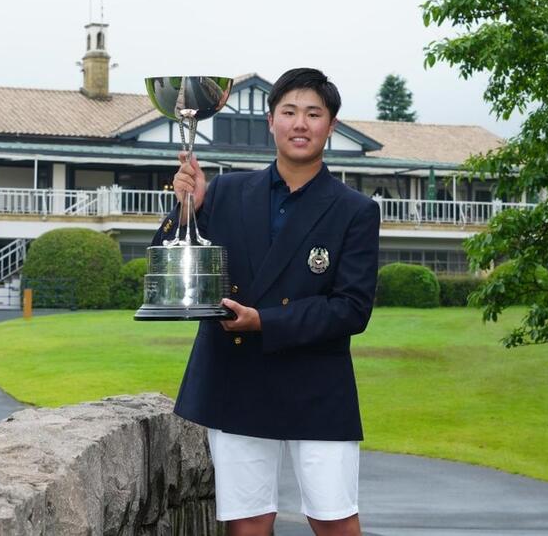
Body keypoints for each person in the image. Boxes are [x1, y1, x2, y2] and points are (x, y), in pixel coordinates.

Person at [153, 68, 380, 536]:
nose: (301, 124)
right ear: (271, 122)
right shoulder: (227, 190)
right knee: (249, 521)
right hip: (235, 375)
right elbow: (181, 275)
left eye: (313, 114)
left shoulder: (355, 210)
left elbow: (352, 309)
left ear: (331, 126)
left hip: (317, 379)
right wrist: (185, 209)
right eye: (290, 112)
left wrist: (265, 322)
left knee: (335, 519)